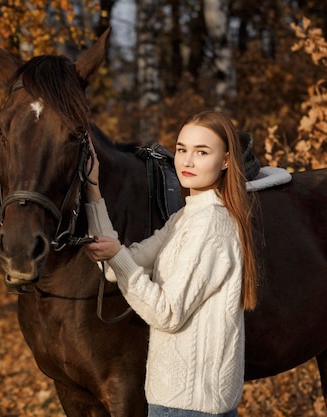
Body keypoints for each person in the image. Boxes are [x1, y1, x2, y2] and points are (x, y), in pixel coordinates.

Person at [83, 110, 258, 417]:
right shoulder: (185, 218)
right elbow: (120, 264)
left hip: (191, 408)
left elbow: (167, 313)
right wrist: (94, 191)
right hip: (174, 401)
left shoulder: (211, 226)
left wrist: (117, 256)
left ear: (227, 160)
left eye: (201, 152)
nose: (187, 161)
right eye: (181, 149)